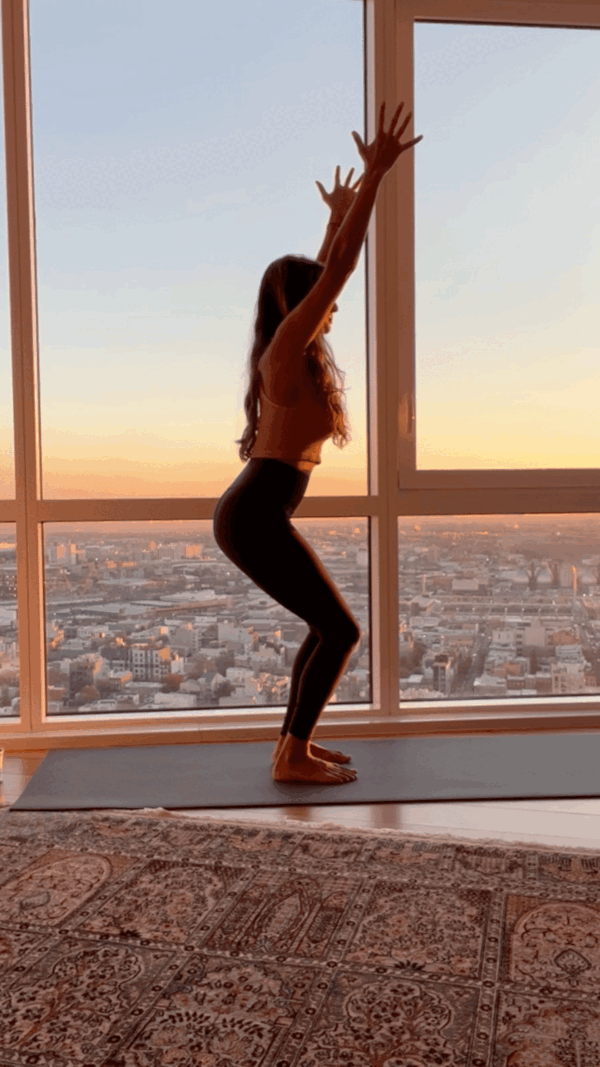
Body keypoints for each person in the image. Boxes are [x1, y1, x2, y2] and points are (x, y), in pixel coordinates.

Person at [213, 102, 423, 784]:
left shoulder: (292, 355)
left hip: (259, 510)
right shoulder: (283, 353)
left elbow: (327, 267)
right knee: (341, 629)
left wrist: (336, 216)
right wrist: (375, 179)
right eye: (317, 298)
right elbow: (337, 273)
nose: (330, 308)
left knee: (327, 627)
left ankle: (290, 748)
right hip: (253, 513)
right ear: (300, 304)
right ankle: (293, 755)